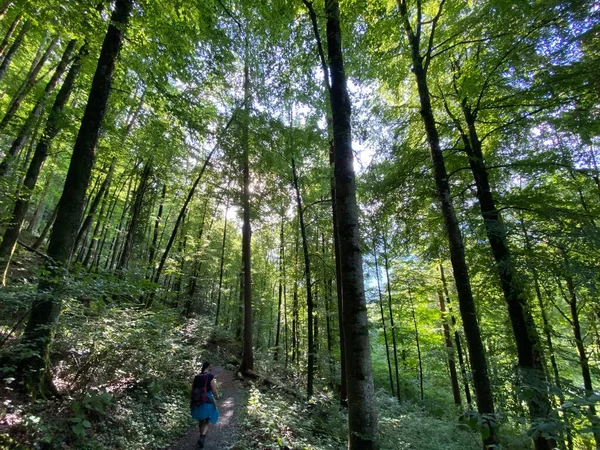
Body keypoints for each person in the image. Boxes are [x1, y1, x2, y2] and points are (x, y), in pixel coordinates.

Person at [190, 361, 219, 448]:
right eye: (210, 366)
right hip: (207, 399)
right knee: (207, 419)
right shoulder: (210, 376)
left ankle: (200, 436)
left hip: (198, 400)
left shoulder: (197, 377)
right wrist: (217, 397)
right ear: (208, 367)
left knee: (201, 420)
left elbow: (192, 389)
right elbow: (213, 390)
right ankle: (202, 436)